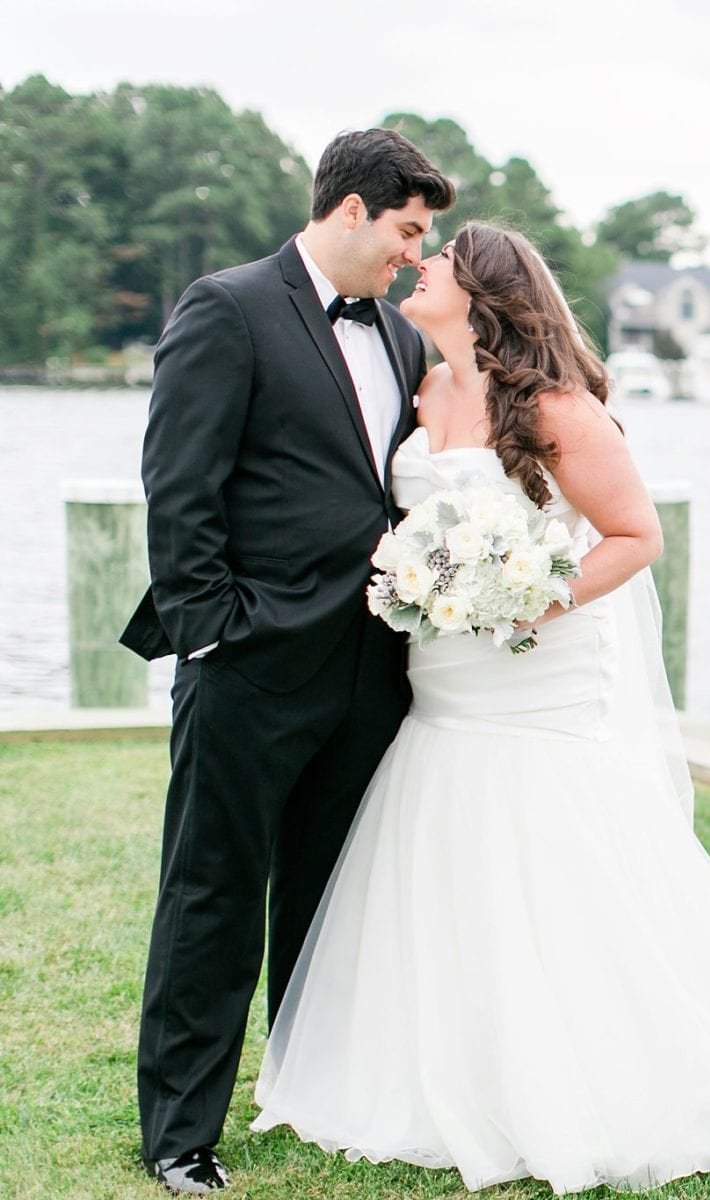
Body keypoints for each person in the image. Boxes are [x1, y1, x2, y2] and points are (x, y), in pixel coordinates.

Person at [249, 222, 710, 1194]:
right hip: (444, 680)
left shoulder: (554, 408)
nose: (419, 266)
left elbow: (634, 535)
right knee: (440, 841)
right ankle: (433, 1069)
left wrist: (528, 592)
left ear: (483, 289)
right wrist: (423, 579)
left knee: (548, 853)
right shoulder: (426, 387)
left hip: (533, 666)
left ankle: (590, 1066)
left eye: (437, 259)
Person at [119, 129, 456, 1194]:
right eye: (407, 230)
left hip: (371, 666)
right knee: (215, 892)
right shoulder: (227, 306)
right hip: (252, 661)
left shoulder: (401, 340)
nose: (413, 254)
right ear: (350, 211)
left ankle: (310, 1092)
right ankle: (182, 1135)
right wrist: (214, 627)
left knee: (329, 895)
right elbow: (179, 486)